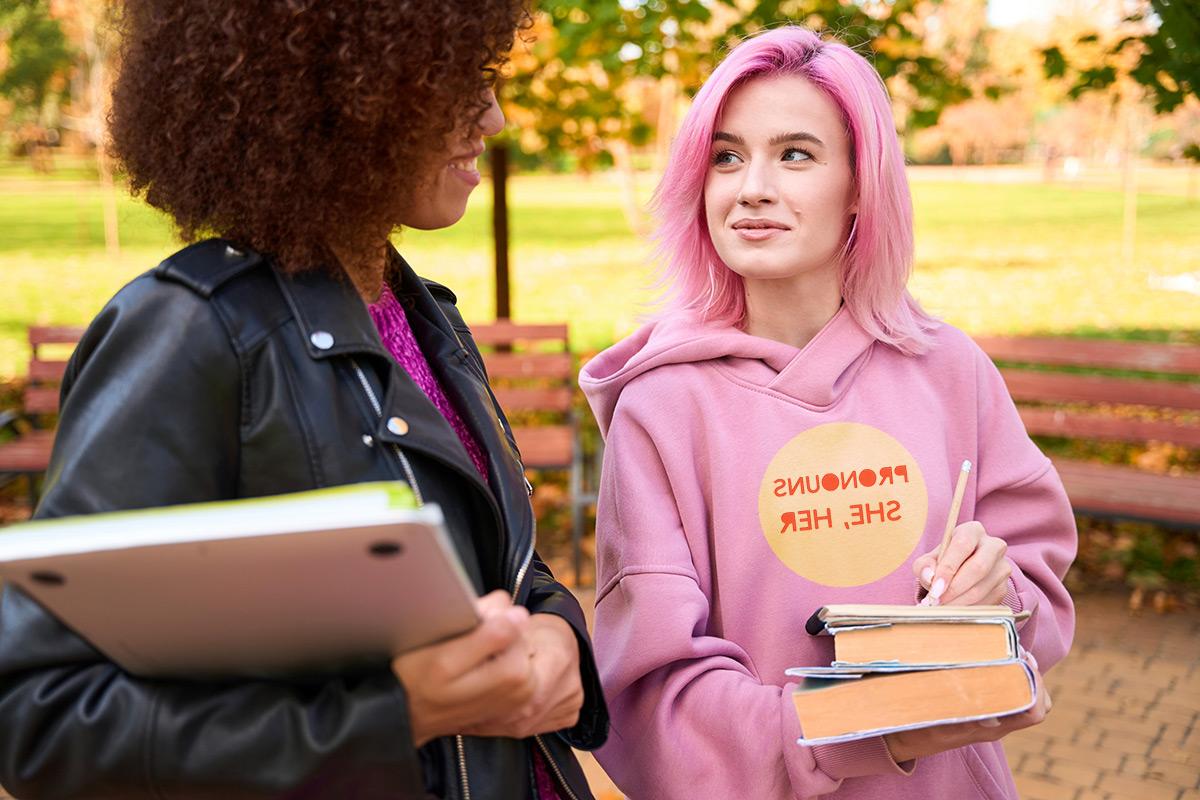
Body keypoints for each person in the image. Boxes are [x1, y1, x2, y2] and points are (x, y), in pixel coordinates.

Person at [0, 1, 607, 798]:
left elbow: (492, 564)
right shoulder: (194, 331)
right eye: (461, 82)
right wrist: (393, 718)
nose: (492, 118)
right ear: (345, 90)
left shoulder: (423, 315)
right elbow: (38, 716)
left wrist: (560, 633)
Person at [579, 26, 1074, 800]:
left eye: (796, 154)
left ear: (860, 186)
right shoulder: (661, 406)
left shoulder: (949, 370)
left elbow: (1038, 599)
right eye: (728, 155)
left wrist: (997, 595)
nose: (752, 188)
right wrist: (873, 725)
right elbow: (654, 694)